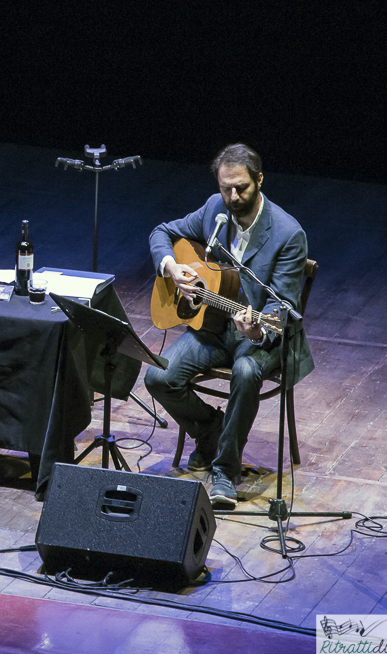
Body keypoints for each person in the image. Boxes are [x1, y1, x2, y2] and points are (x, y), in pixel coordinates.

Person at [144, 144, 314, 508]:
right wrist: (172, 268)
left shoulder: (287, 234)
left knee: (246, 369)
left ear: (260, 180)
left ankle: (225, 469)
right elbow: (161, 231)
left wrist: (259, 330)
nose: (233, 197)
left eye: (241, 188)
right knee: (157, 377)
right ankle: (212, 431)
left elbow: (281, 306)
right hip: (214, 327)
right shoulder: (213, 210)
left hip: (263, 336)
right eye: (226, 188)